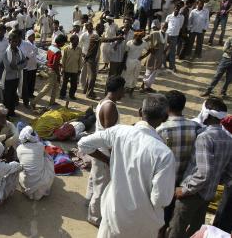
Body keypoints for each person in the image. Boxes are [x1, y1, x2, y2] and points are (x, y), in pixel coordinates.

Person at [78, 94, 176, 238]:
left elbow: (83, 144)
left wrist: (108, 160)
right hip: (142, 223)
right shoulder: (165, 154)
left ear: (140, 111)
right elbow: (161, 199)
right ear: (165, 118)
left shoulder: (119, 132)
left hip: (114, 214)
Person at [168, 97, 232, 238]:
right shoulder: (228, 138)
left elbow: (204, 173)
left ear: (207, 114)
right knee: (195, 229)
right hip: (208, 194)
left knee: (176, 229)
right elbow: (228, 173)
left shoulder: (205, 137)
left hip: (192, 195)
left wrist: (184, 190)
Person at [156, 90, 201, 237]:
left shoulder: (160, 129)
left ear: (166, 108)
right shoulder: (195, 127)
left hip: (164, 182)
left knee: (159, 215)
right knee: (172, 217)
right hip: (184, 185)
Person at [84, 75, 124, 227]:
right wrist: (113, 155)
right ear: (119, 90)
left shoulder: (103, 102)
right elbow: (109, 136)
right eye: (123, 90)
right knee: (102, 185)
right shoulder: (110, 106)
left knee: (95, 178)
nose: (124, 94)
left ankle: (88, 201)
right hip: (104, 151)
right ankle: (94, 217)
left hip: (98, 147)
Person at [17, 126, 55, 201]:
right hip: (42, 187)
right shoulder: (40, 146)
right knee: (48, 159)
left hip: (26, 186)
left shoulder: (19, 148)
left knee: (21, 167)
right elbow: (45, 156)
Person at [31, 35, 66, 108]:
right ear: (61, 42)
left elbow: (48, 59)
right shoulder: (58, 51)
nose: (64, 44)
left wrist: (58, 64)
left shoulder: (51, 47)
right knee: (47, 88)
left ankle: (52, 102)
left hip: (47, 68)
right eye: (64, 42)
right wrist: (58, 74)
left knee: (56, 86)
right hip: (52, 70)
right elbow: (54, 65)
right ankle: (34, 102)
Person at [2, 30, 27, 117]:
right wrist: (17, 66)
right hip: (8, 79)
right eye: (13, 41)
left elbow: (25, 62)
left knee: (13, 97)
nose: (15, 43)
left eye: (16, 42)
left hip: (16, 78)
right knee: (7, 98)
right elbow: (7, 67)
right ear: (9, 41)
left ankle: (12, 113)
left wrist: (17, 67)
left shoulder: (19, 51)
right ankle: (6, 115)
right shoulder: (6, 53)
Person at [142, 22, 168, 92]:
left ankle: (148, 87)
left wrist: (165, 51)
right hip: (153, 55)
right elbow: (144, 40)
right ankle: (143, 86)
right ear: (160, 26)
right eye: (164, 26)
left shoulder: (166, 35)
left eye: (166, 26)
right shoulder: (155, 33)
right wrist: (149, 48)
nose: (165, 28)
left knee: (154, 72)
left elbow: (165, 45)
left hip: (159, 56)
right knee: (148, 71)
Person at [122, 31, 149, 96]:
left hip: (137, 62)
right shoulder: (129, 43)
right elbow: (125, 54)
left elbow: (149, 50)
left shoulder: (144, 43)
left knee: (135, 76)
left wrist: (142, 57)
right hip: (129, 61)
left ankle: (131, 92)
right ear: (135, 36)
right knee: (126, 76)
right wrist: (123, 63)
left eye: (141, 36)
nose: (139, 38)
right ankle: (123, 91)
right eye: (138, 36)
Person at [60, 34, 83, 100]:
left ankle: (71, 95)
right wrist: (62, 68)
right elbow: (63, 59)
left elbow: (80, 60)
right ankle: (62, 95)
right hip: (67, 69)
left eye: (78, 41)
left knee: (74, 84)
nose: (77, 42)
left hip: (75, 70)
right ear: (72, 41)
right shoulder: (66, 49)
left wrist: (79, 69)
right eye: (76, 40)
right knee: (64, 83)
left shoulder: (79, 49)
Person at [20, 29, 38, 108]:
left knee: (32, 80)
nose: (34, 37)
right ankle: (26, 95)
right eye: (32, 36)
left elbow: (35, 53)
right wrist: (31, 54)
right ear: (29, 37)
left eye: (34, 36)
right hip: (28, 66)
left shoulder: (33, 43)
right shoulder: (26, 44)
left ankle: (31, 93)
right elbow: (28, 54)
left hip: (33, 65)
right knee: (27, 81)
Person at [165, 4, 184, 72]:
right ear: (174, 8)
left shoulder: (181, 17)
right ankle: (163, 65)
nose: (177, 10)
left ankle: (172, 66)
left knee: (172, 51)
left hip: (175, 36)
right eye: (176, 8)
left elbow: (180, 27)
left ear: (179, 9)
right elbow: (165, 25)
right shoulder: (169, 16)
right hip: (167, 35)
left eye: (178, 9)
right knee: (164, 50)